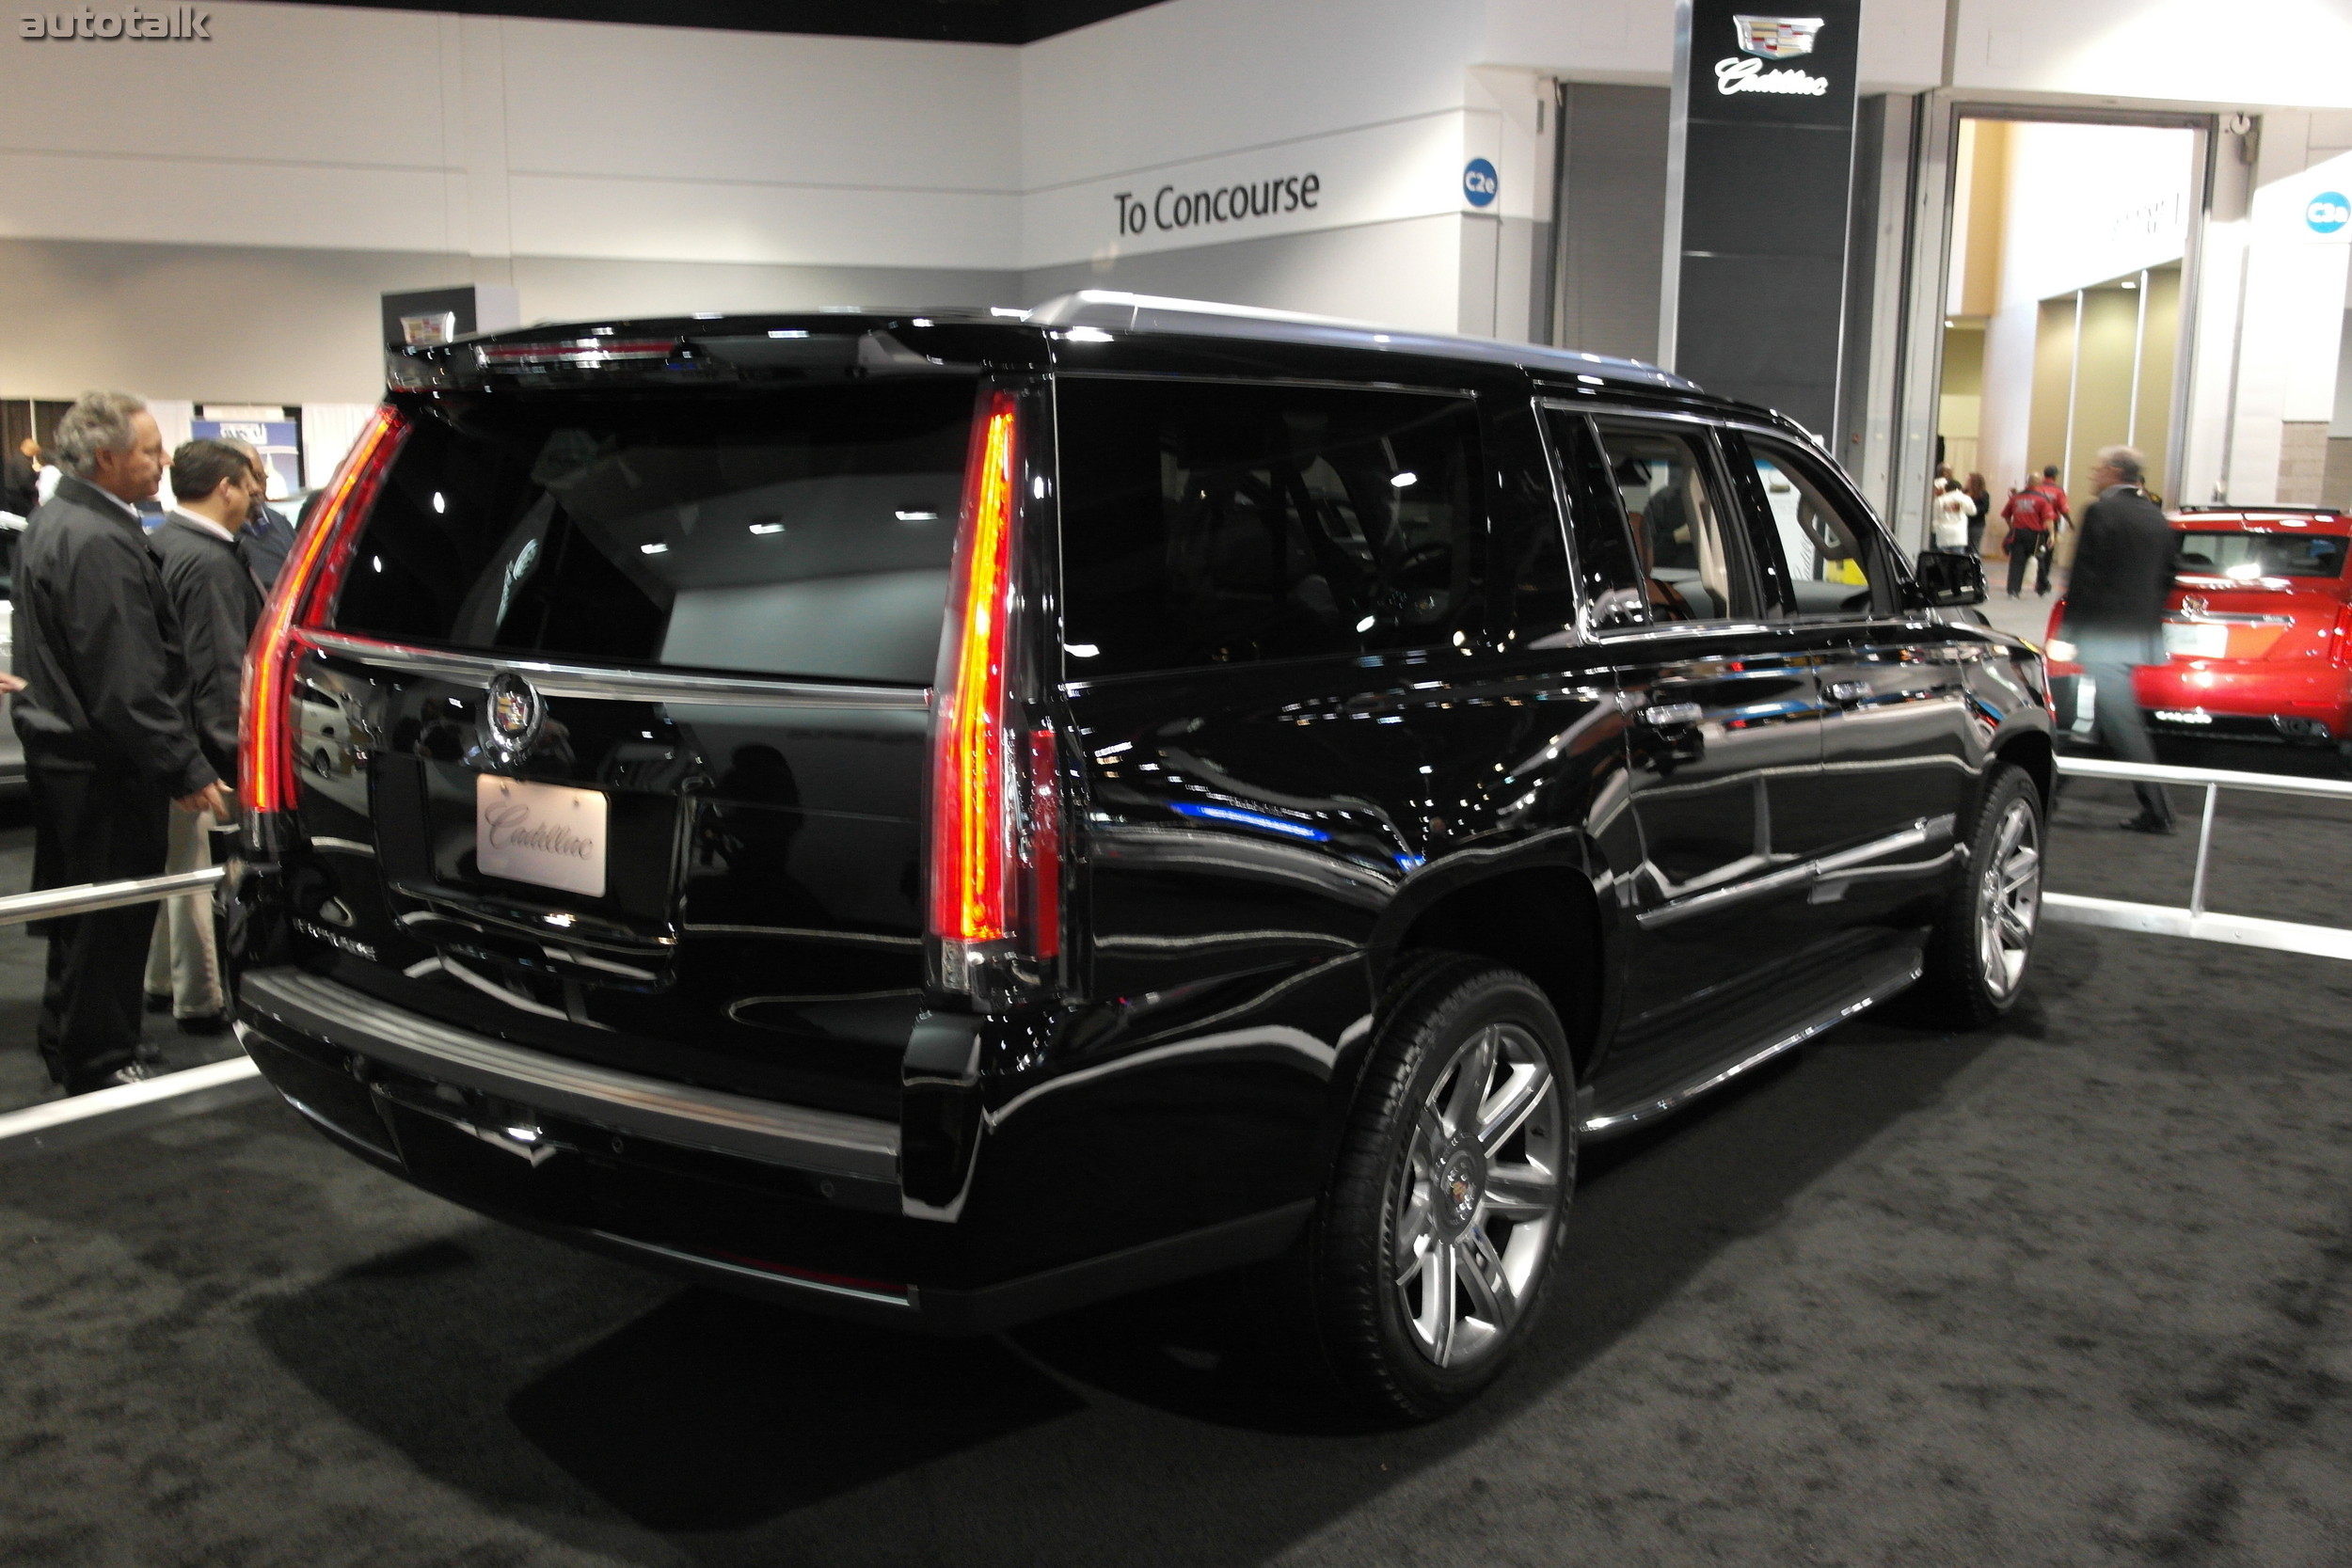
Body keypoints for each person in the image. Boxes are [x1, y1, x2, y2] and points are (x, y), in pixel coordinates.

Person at [11, 390, 229, 1095]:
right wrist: (182, 765)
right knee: (109, 914)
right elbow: (125, 676)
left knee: (78, 913)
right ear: (106, 457)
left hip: (67, 755)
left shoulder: (58, 520)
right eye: (149, 450)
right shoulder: (99, 539)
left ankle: (74, 1039)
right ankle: (100, 1057)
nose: (163, 461)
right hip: (102, 764)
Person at [142, 440, 265, 1032]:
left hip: (168, 737)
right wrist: (231, 760)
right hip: (198, 747)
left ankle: (163, 983)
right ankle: (200, 1000)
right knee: (194, 877)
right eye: (248, 483)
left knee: (174, 871)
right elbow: (217, 670)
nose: (255, 494)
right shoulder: (210, 560)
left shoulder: (164, 541)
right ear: (224, 488)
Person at [2053, 445, 2176, 834]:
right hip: (2136, 634)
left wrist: (2068, 632)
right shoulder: (2155, 515)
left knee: (2117, 722)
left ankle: (2159, 810)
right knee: (2090, 718)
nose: (2094, 474)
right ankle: (2050, 792)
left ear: (2114, 472)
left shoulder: (2101, 512)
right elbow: (2168, 575)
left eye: (2099, 468)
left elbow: (2085, 576)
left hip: (2103, 633)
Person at [225, 437, 293, 590]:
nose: (256, 488)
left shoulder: (280, 523)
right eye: (246, 481)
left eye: (259, 477)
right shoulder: (220, 534)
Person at [1998, 473, 2057, 597]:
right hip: (2036, 536)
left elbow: (2006, 514)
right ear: (2039, 483)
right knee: (2039, 560)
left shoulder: (2016, 498)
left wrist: (2011, 526)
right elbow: (2048, 519)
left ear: (2027, 482)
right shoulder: (2042, 499)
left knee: (2016, 562)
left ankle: (2013, 590)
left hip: (2018, 533)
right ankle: (2042, 586)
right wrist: (2052, 535)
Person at [2028, 464, 2071, 595]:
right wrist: (2070, 522)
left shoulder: (2037, 487)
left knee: (2037, 552)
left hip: (2035, 523)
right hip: (2051, 524)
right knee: (2047, 554)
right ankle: (2043, 581)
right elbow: (2063, 509)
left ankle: (2038, 580)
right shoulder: (2058, 490)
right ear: (2055, 476)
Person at [1931, 476, 1975, 555]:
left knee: (1943, 559)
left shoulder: (1940, 500)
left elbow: (1935, 517)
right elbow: (1973, 511)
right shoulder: (1965, 499)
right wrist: (1962, 508)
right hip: (1959, 534)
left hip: (1943, 534)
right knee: (1958, 559)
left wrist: (1934, 531)